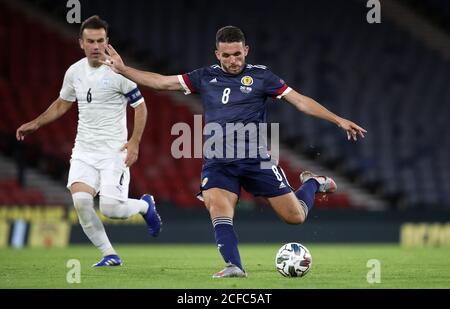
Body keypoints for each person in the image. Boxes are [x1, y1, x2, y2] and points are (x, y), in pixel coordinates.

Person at [101, 26, 366, 277]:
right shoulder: (204, 77)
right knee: (217, 206)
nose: (233, 60)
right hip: (219, 162)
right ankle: (234, 266)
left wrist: (338, 120)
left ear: (246, 51)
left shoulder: (262, 77)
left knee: (295, 217)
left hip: (256, 160)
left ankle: (312, 183)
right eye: (226, 55)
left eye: (237, 54)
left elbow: (300, 102)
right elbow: (161, 82)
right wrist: (123, 69)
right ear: (218, 54)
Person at [16, 16, 162, 267]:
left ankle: (144, 206)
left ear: (107, 42)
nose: (96, 46)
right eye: (91, 41)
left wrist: (134, 142)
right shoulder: (74, 72)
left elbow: (141, 107)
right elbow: (63, 102)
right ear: (81, 43)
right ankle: (110, 254)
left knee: (111, 209)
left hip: (113, 152)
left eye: (101, 40)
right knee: (82, 202)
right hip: (84, 150)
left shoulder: (118, 72)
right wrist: (36, 123)